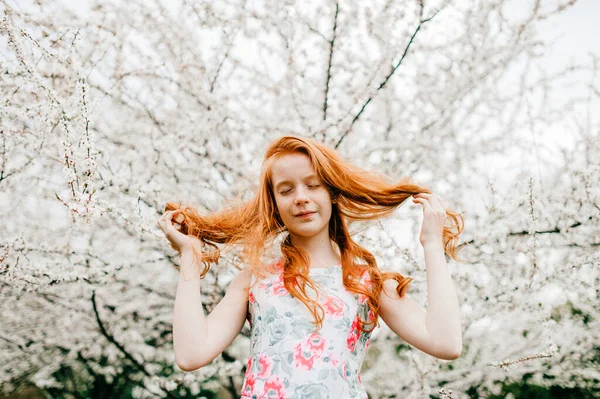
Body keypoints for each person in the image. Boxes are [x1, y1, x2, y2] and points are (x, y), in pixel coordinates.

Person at [157, 135, 464, 399]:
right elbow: (191, 354)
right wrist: (189, 257)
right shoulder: (255, 280)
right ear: (274, 202)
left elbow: (446, 343)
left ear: (331, 191)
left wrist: (433, 247)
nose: (301, 198)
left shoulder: (367, 282)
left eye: (312, 185)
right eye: (286, 190)